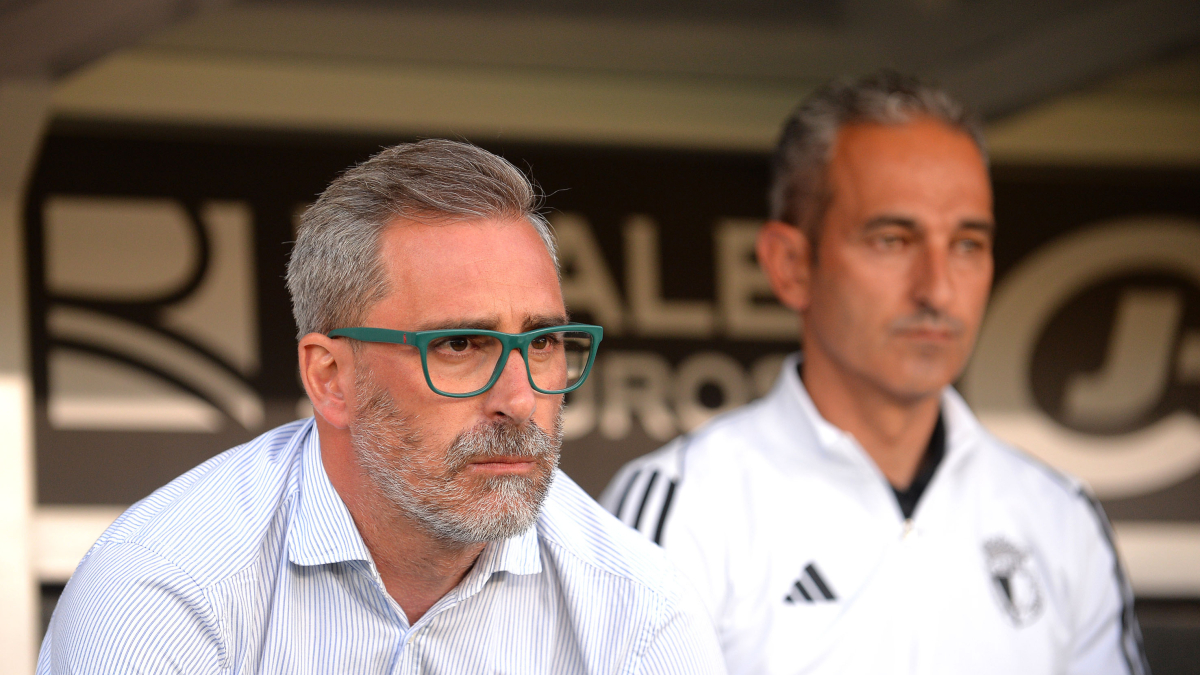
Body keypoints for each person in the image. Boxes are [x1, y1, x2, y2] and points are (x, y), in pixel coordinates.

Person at [39, 139, 725, 674]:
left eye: (543, 342)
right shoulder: (165, 589)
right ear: (331, 377)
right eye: (460, 344)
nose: (520, 400)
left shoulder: (640, 609)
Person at [602, 72, 1149, 675]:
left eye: (967, 244)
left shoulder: (1060, 516)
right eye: (892, 240)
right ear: (790, 265)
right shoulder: (683, 505)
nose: (938, 290)